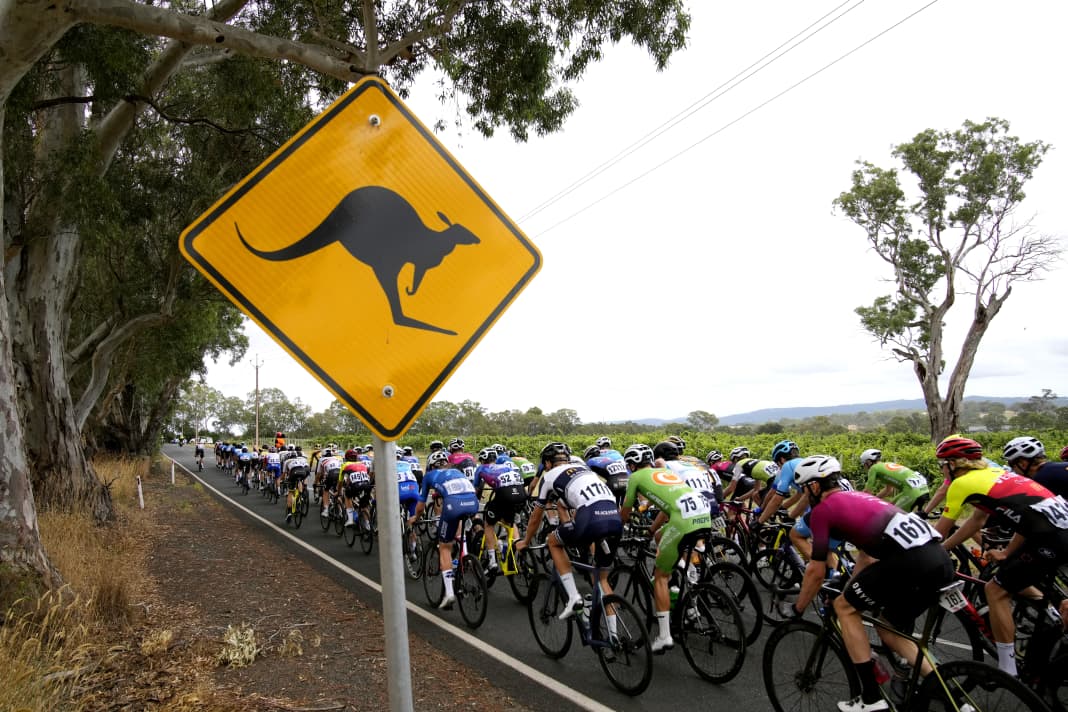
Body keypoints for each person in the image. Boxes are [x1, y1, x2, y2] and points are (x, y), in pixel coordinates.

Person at [786, 455, 954, 712]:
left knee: (844, 608)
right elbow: (866, 556)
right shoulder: (863, 499)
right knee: (889, 629)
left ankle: (871, 698)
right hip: (940, 560)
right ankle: (952, 696)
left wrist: (798, 608)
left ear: (815, 486)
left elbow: (816, 571)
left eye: (804, 489)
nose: (804, 494)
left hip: (909, 563)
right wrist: (851, 587)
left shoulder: (823, 511)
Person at [933, 436, 1068, 678]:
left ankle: (1008, 670)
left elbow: (938, 533)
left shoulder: (961, 484)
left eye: (942, 464)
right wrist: (1006, 552)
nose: (942, 470)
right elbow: (979, 520)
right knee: (1020, 577)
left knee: (995, 591)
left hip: (1050, 538)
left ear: (953, 464)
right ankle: (1054, 622)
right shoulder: (996, 473)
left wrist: (936, 548)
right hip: (1056, 530)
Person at [516, 442, 622, 629]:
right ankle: (615, 637)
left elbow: (535, 517)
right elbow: (566, 503)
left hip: (591, 518)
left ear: (547, 463)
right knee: (601, 580)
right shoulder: (584, 469)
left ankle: (574, 598)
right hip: (615, 518)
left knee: (552, 541)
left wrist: (525, 541)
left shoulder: (549, 476)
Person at [619, 443, 712, 653]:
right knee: (662, 535)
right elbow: (667, 507)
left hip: (683, 520)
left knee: (660, 576)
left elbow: (625, 514)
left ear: (632, 465)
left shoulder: (635, 478)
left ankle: (664, 636)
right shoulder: (663, 473)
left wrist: (617, 529)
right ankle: (683, 571)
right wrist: (651, 531)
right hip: (702, 513)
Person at [409, 450, 480, 609]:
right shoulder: (456, 471)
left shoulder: (428, 477)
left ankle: (449, 593)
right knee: (458, 528)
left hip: (453, 505)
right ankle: (465, 555)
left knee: (444, 547)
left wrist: (417, 518)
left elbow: (421, 506)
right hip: (472, 502)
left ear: (430, 466)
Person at [472, 448, 528, 573]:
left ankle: (492, 561)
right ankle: (516, 552)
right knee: (510, 522)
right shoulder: (504, 466)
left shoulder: (481, 468)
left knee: (488, 524)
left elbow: (477, 489)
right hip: (521, 493)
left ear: (482, 460)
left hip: (504, 494)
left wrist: (473, 504)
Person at [859, 449, 931, 512]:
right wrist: (876, 499)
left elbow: (867, 491)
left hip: (911, 490)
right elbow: (888, 490)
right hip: (923, 489)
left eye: (864, 464)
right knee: (889, 507)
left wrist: (858, 501)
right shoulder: (887, 464)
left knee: (892, 515)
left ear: (869, 462)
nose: (864, 467)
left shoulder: (874, 468)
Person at [1003, 435, 1068, 498]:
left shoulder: (1040, 479)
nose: (1013, 470)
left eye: (1012, 466)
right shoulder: (1060, 466)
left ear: (1022, 463)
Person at [342, 448, 374, 529]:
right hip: (366, 485)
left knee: (347, 495)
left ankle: (350, 519)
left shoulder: (345, 465)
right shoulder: (363, 464)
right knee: (364, 506)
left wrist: (339, 491)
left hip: (356, 486)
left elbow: (342, 481)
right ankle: (368, 525)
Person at [283, 445, 310, 523]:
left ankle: (289, 512)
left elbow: (284, 473)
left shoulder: (287, 461)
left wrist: (282, 480)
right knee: (300, 480)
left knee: (291, 492)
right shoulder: (300, 460)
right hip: (303, 471)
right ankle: (301, 496)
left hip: (294, 473)